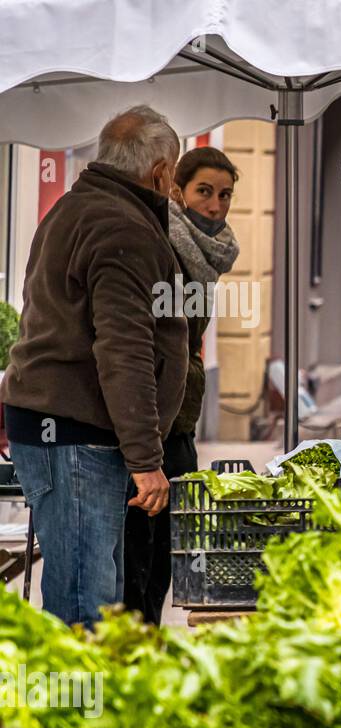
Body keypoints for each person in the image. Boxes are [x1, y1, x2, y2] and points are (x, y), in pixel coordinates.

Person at [1, 106, 187, 627]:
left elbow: (47, 315)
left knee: (88, 585)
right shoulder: (118, 225)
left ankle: (79, 702)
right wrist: (146, 459)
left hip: (63, 428)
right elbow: (123, 349)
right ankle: (77, 707)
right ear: (160, 172)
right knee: (87, 599)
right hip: (75, 434)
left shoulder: (77, 207)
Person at [121, 146, 241, 625]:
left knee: (169, 549)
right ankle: (133, 653)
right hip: (150, 420)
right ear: (178, 190)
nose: (215, 206)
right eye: (204, 192)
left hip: (182, 419)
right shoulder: (162, 241)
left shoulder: (207, 252)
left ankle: (146, 645)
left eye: (225, 195)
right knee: (140, 552)